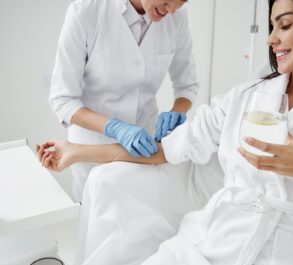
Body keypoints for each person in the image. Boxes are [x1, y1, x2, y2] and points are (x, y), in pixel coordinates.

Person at [38, 0, 293, 265]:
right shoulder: (248, 96)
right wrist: (78, 150)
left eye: (284, 26)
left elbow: (187, 86)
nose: (271, 39)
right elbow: (164, 150)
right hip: (209, 242)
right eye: (271, 27)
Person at [49, 0, 200, 201]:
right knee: (95, 224)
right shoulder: (86, 12)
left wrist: (177, 110)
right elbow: (63, 99)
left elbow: (187, 85)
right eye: (168, 0)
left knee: (142, 222)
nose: (171, 10)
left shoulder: (176, 18)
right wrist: (114, 127)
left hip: (144, 149)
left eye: (181, 2)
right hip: (92, 150)